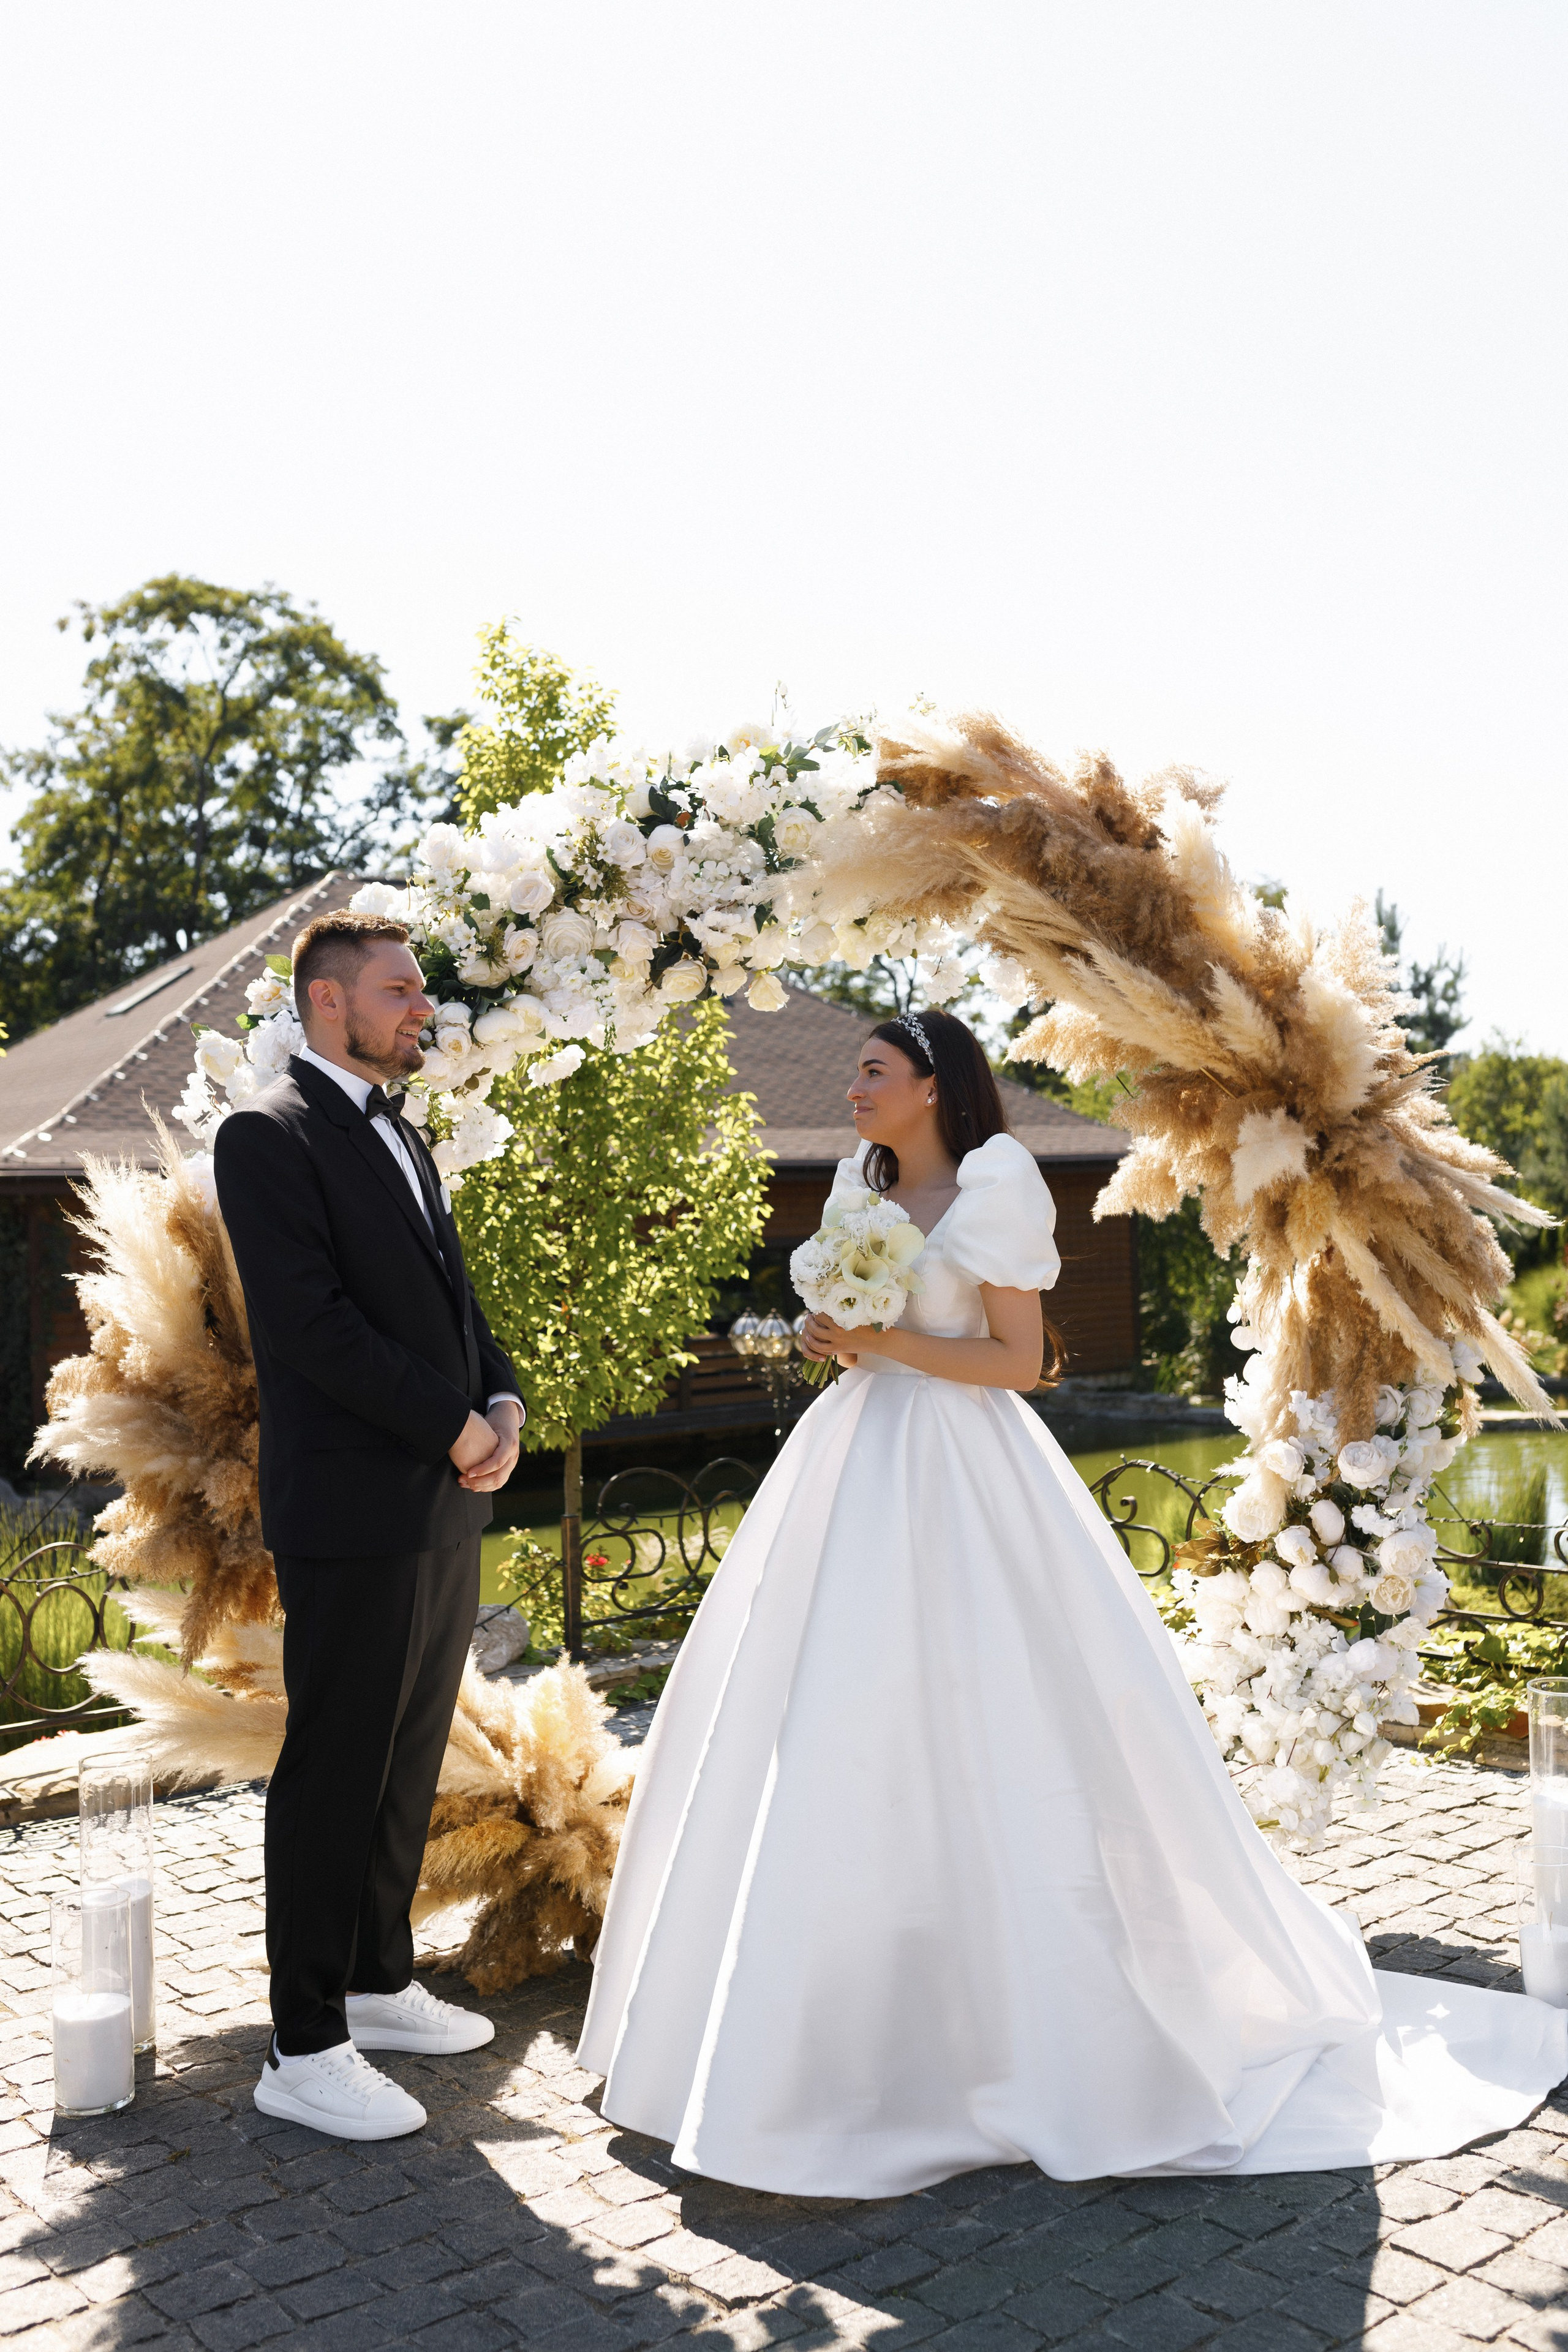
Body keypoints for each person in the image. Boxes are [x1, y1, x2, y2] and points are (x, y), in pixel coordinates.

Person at [578, 1006, 1566, 2194]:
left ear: (934, 1087)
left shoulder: (994, 1190)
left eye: (873, 1071)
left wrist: (885, 1343)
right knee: (833, 1717)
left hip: (964, 1468)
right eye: (853, 1073)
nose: (853, 1088)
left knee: (999, 1716)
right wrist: (833, 1339)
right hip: (852, 1463)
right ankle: (811, 2027)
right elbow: (870, 1338)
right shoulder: (857, 1187)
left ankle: (1038, 2032)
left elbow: (1014, 1363)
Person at [214, 910, 525, 2141]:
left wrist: (497, 1394)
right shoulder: (266, 1135)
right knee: (335, 1767)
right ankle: (302, 2045)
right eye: (399, 990)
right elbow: (313, 1327)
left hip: (440, 1498)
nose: (421, 1008)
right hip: (351, 1502)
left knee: (406, 1757)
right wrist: (451, 1427)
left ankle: (378, 1980)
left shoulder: (407, 1135)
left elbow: (450, 1301)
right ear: (327, 1003)